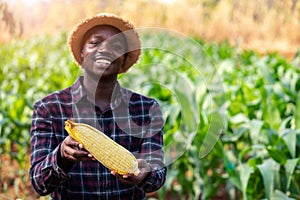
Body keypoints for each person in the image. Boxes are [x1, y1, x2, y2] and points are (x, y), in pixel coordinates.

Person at [30, 13, 166, 199]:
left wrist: (145, 174)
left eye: (116, 46)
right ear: (81, 53)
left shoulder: (146, 109)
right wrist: (61, 156)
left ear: (124, 59)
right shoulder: (49, 108)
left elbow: (157, 177)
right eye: (95, 43)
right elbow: (39, 184)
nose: (105, 50)